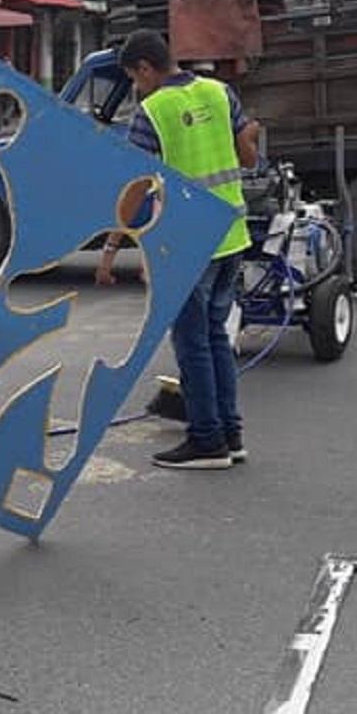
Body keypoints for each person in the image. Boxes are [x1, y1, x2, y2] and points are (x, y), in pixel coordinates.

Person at [100, 30, 260, 471]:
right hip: (231, 234)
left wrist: (113, 243)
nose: (136, 85)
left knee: (193, 345)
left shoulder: (152, 111)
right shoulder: (219, 91)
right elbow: (249, 149)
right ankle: (230, 434)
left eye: (134, 76)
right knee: (215, 339)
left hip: (189, 245)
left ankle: (207, 441)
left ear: (146, 68)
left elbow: (134, 186)